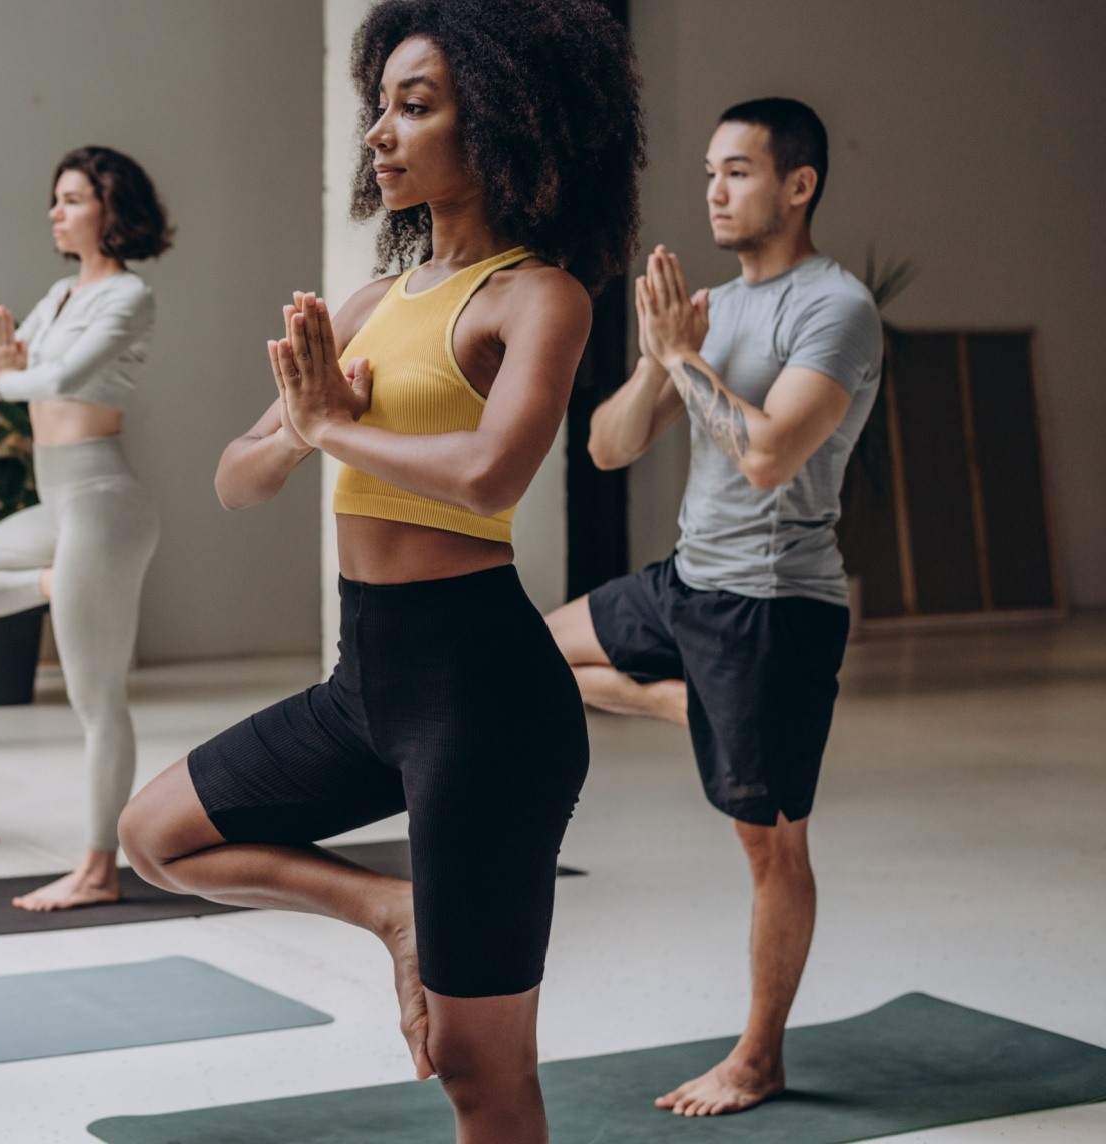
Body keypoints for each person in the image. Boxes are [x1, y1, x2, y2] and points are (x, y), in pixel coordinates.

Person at [118, 2, 642, 1140]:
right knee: (155, 837)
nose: (382, 132)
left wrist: (331, 428)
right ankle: (388, 910)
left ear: (500, 120)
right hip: (369, 683)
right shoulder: (365, 304)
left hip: (486, 697)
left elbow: (491, 473)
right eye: (381, 106)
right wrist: (305, 426)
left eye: (418, 106)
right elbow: (235, 478)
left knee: (477, 1062)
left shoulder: (537, 296)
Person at [545, 97, 882, 1117]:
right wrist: (657, 358)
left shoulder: (835, 307)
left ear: (799, 184)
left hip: (774, 608)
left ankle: (759, 1057)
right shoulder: (708, 312)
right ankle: (686, 708)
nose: (715, 192)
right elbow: (606, 447)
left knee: (771, 843)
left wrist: (684, 361)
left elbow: (772, 455)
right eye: (708, 174)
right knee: (517, 653)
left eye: (737, 171)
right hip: (685, 581)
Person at [0, 145, 170, 912]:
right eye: (56, 198)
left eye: (71, 198)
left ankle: (98, 869)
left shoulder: (127, 296)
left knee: (96, 701)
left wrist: (6, 375)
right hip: (61, 510)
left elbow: (60, 379)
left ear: (110, 208)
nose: (55, 211)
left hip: (104, 503)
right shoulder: (60, 295)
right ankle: (58, 583)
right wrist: (4, 374)